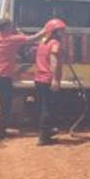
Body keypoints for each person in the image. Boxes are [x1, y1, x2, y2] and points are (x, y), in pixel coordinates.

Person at [0, 18, 46, 139]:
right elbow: (33, 38)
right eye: (11, 26)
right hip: (3, 77)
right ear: (7, 27)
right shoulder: (13, 39)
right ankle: (0, 133)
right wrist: (47, 29)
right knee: (5, 106)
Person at [34, 18, 66, 146]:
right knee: (49, 108)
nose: (63, 33)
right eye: (60, 31)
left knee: (45, 106)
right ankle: (44, 137)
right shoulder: (55, 43)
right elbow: (53, 62)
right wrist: (55, 79)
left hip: (39, 79)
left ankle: (47, 133)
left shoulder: (42, 42)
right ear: (54, 32)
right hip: (48, 79)